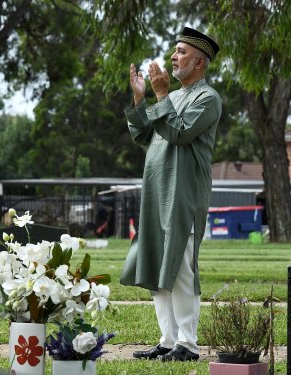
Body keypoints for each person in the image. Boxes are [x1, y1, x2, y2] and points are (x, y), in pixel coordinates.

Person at [120, 27, 222, 362]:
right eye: (175, 51)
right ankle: (168, 341)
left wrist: (161, 96)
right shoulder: (174, 97)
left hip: (184, 196)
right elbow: (144, 136)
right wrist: (139, 98)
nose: (173, 57)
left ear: (199, 63)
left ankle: (188, 346)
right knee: (156, 268)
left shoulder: (208, 99)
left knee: (180, 270)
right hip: (156, 192)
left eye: (180, 52)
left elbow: (178, 134)